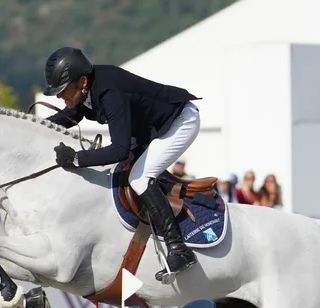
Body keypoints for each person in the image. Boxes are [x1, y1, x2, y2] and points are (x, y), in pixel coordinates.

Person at [42, 46, 201, 280]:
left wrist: (76, 158)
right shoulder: (88, 89)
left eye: (63, 90)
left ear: (83, 81)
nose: (59, 96)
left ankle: (179, 248)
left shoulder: (110, 93)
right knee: (122, 174)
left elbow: (118, 149)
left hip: (180, 122)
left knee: (139, 178)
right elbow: (71, 115)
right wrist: (34, 125)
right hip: (150, 129)